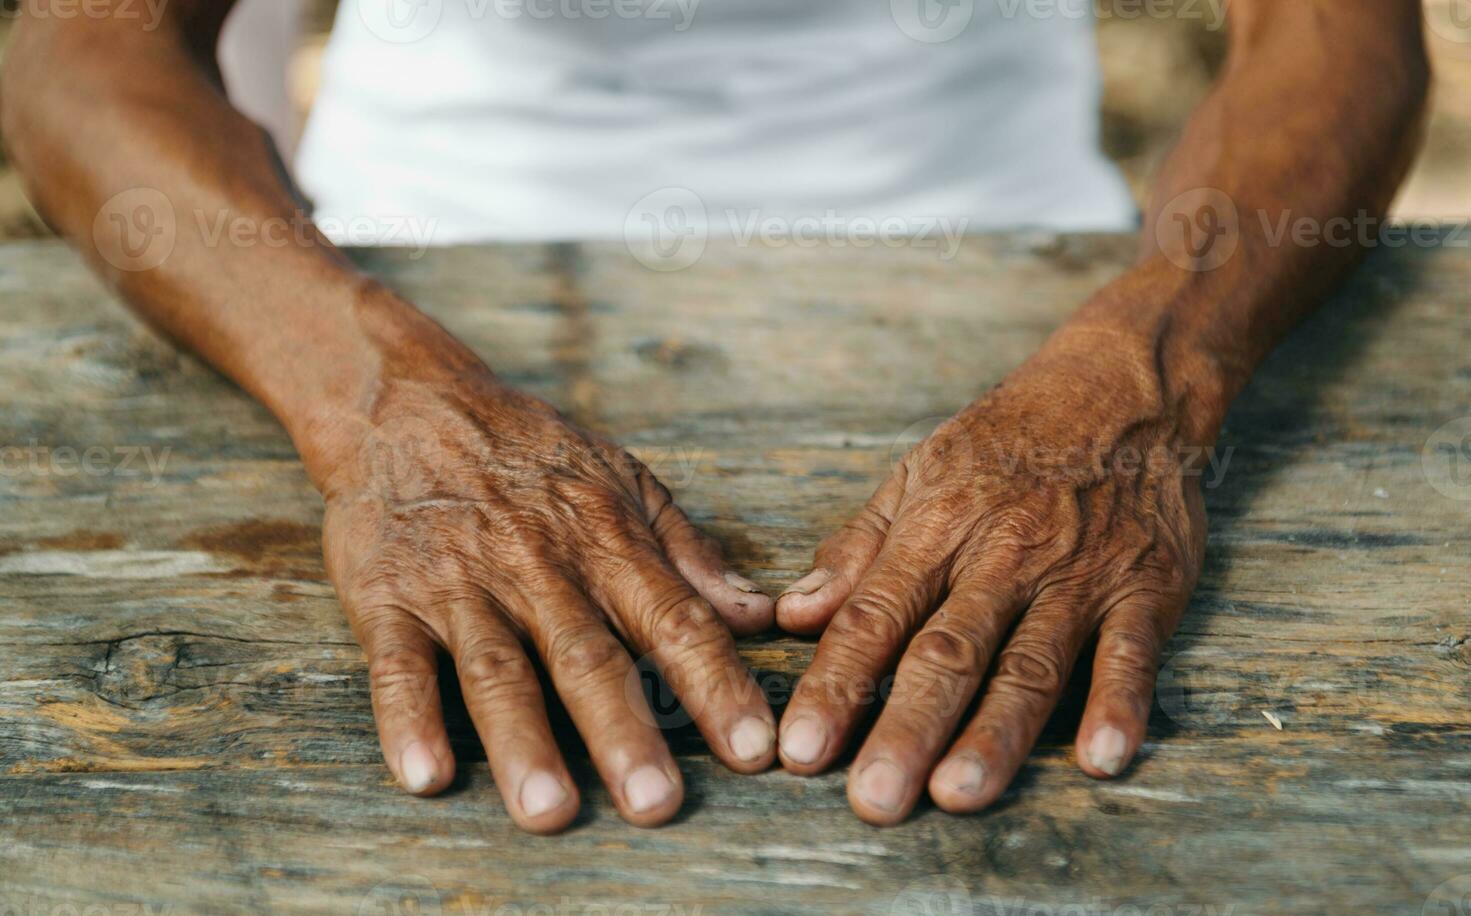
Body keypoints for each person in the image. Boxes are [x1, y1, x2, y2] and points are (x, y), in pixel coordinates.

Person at [0, 0, 1429, 833]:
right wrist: (366, 397)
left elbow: (1337, 26)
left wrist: (1156, 366)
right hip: (413, 282)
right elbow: (82, 50)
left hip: (1027, 283)